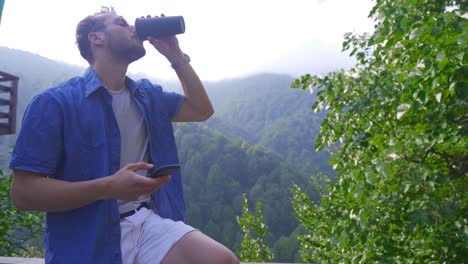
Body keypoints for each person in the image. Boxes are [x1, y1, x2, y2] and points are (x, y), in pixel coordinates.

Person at [9, 7, 239, 264]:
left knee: (220, 260)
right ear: (97, 38)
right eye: (121, 23)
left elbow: (201, 109)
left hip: (146, 221)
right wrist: (108, 187)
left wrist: (175, 56)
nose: (133, 29)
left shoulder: (147, 96)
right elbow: (23, 193)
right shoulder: (54, 103)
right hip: (88, 235)